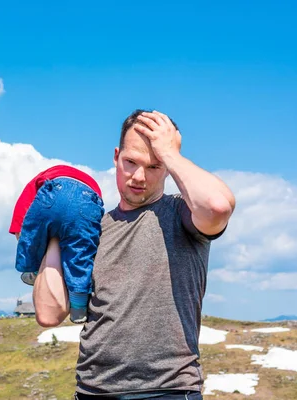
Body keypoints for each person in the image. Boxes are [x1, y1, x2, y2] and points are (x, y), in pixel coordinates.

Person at [33, 110, 236, 399]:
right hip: (93, 391)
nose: (139, 177)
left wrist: (170, 154)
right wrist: (55, 230)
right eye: (131, 162)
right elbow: (49, 313)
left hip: (169, 390)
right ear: (116, 156)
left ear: (167, 167)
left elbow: (217, 206)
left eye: (154, 166)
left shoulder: (182, 214)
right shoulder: (93, 229)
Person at [10, 164, 104, 323]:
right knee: (79, 254)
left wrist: (28, 251)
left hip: (55, 190)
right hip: (90, 196)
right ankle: (79, 306)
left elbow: (23, 221)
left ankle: (32, 271)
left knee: (31, 240)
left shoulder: (38, 180)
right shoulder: (85, 180)